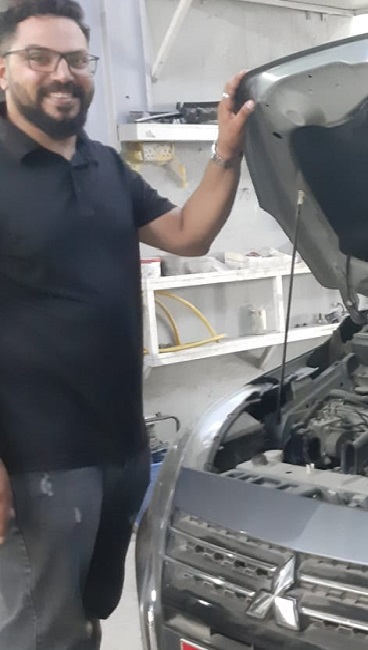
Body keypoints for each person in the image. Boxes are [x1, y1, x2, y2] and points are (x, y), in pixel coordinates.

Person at [0, 1, 255, 648]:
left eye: (75, 59)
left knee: (89, 615)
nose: (61, 73)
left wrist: (226, 152)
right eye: (38, 58)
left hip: (120, 450)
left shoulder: (104, 165)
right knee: (39, 630)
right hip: (35, 462)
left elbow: (187, 234)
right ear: (3, 70)